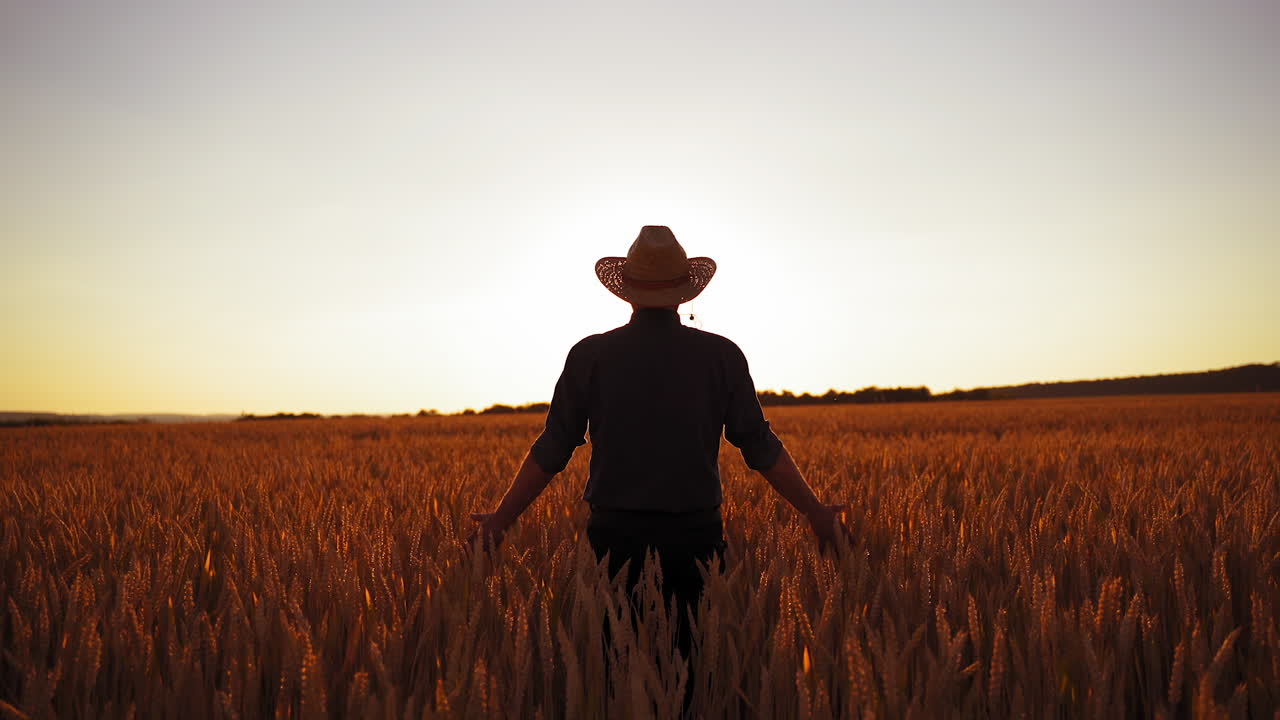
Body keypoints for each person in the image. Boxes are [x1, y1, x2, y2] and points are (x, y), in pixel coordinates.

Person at [468, 225, 851, 657]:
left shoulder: (590, 355)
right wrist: (815, 511)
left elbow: (554, 448)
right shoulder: (721, 355)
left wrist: (501, 520)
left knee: (617, 669)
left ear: (627, 291)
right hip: (695, 537)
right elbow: (759, 445)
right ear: (685, 293)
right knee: (692, 671)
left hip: (615, 538)